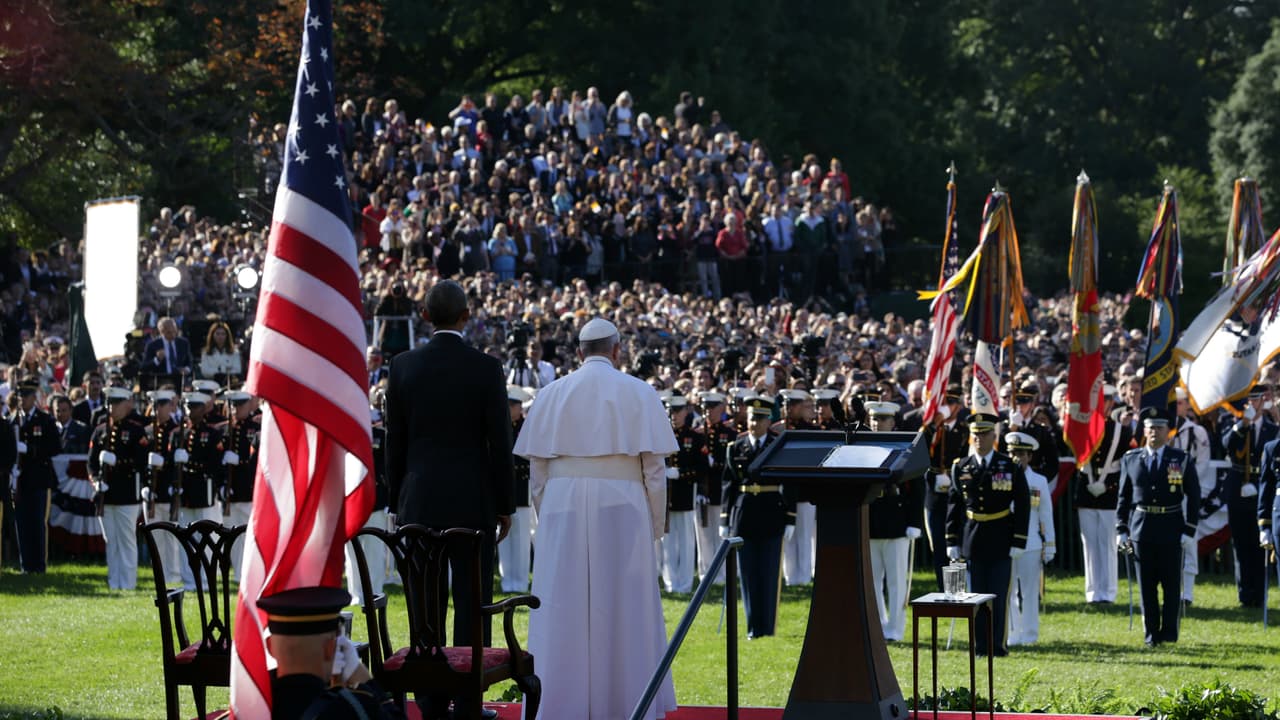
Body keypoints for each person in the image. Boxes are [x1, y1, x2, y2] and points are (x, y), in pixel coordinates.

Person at [514, 317, 678, 720]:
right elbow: (654, 472)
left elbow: (538, 473)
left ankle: (557, 705)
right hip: (624, 504)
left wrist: (548, 519)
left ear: (579, 353)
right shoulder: (639, 392)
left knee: (560, 605)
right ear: (617, 350)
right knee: (626, 607)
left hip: (562, 503)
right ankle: (627, 703)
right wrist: (653, 526)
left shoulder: (551, 394)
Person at [385, 279, 514, 720]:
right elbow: (501, 442)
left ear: (424, 316)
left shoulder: (402, 365)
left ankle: (429, 698)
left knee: (426, 601)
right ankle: (468, 699)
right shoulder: (486, 367)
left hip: (418, 499)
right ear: (467, 316)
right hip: (471, 500)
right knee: (472, 601)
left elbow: (394, 442)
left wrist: (393, 500)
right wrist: (505, 504)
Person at [945, 411, 1030, 657]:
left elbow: (1022, 504)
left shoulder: (1008, 465)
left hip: (1001, 536)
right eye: (975, 435)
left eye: (984, 434)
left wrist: (1019, 539)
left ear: (994, 435)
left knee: (998, 596)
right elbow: (954, 506)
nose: (979, 439)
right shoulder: (961, 467)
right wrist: (951, 540)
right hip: (973, 538)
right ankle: (980, 645)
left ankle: (997, 645)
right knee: (975, 596)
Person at [1116, 407, 1200, 647]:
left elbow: (1194, 496)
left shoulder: (1180, 459)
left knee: (1171, 584)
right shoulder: (1131, 459)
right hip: (1142, 529)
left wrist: (1189, 530)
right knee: (1147, 586)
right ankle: (1151, 634)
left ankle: (1169, 633)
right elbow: (1124, 497)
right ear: (1144, 430)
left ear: (1168, 431)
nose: (1154, 432)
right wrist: (1121, 529)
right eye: (1150, 428)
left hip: (1172, 527)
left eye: (1159, 428)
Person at [258, 585, 403, 720]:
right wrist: (363, 677)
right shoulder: (354, 706)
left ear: (270, 646)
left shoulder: (253, 702)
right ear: (331, 648)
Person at [720, 395, 793, 638]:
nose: (754, 423)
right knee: (749, 574)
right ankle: (753, 627)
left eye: (760, 419)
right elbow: (728, 485)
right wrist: (724, 519)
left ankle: (768, 627)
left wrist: (791, 517)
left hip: (771, 512)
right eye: (752, 418)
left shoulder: (777, 445)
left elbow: (789, 484)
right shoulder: (736, 447)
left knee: (769, 572)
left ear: (768, 421)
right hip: (745, 514)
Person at [864, 401, 921, 642]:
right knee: (873, 581)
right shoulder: (863, 448)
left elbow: (918, 487)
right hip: (872, 522)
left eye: (883, 419)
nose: (878, 424)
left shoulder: (906, 449)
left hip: (898, 523)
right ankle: (878, 625)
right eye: (875, 419)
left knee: (897, 582)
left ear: (893, 422)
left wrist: (914, 522)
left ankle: (896, 629)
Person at [87, 387, 152, 590]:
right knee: (111, 540)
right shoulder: (100, 430)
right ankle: (114, 582)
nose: (112, 408)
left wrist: (119, 462)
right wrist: (96, 481)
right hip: (106, 494)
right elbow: (91, 463)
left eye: (117, 403)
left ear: (127, 404)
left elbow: (141, 462)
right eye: (110, 403)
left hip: (126, 494)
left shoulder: (135, 430)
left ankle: (128, 583)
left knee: (126, 540)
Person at [1075, 384, 1130, 604]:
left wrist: (1108, 485)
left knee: (1107, 543)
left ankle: (1108, 592)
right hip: (1086, 489)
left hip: (1108, 491)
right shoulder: (1081, 428)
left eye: (1106, 401)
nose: (1103, 405)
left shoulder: (1121, 431)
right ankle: (1092, 592)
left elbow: (1125, 465)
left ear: (1110, 403)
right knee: (1089, 543)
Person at [1222, 386, 1275, 608]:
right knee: (1241, 545)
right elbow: (1225, 444)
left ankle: (1260, 594)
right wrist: (1243, 424)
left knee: (1260, 543)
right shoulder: (1233, 423)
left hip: (1262, 489)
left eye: (1258, 399)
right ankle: (1245, 594)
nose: (1254, 404)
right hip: (1238, 490)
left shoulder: (1272, 429)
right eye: (1251, 400)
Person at [1005, 431, 1056, 646]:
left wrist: (1050, 545)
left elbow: (1046, 514)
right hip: (1007, 543)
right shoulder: (1002, 477)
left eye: (1021, 453)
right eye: (1013, 453)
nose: (1017, 457)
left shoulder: (1039, 481)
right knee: (1008, 593)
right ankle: (1012, 633)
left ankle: (1030, 635)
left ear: (1029, 456)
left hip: (1032, 543)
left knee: (1029, 591)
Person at [921, 385, 967, 590]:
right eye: (944, 403)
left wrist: (954, 478)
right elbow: (919, 456)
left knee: (956, 543)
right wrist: (933, 477)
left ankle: (958, 589)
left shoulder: (965, 431)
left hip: (957, 496)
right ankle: (944, 590)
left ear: (958, 406)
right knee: (939, 545)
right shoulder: (930, 429)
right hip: (934, 496)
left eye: (951, 403)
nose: (947, 407)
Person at [12, 382, 61, 573]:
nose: (22, 400)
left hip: (39, 479)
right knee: (22, 524)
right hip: (20, 480)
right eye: (20, 397)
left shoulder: (45, 420)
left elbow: (54, 448)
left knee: (38, 523)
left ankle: (39, 565)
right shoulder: (14, 420)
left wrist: (31, 450)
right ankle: (26, 564)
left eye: (26, 396)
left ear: (34, 398)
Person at [1170, 387, 1212, 603]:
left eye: (1180, 402)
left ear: (1187, 404)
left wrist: (1190, 486)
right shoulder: (1164, 430)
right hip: (1167, 496)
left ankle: (1187, 593)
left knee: (1189, 542)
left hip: (1187, 494)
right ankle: (1171, 588)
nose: (1176, 407)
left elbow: (1202, 464)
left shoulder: (1196, 432)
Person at [661, 393, 703, 594]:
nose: (673, 416)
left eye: (677, 412)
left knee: (686, 541)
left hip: (685, 494)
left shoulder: (694, 437)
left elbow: (701, 467)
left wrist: (681, 473)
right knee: (668, 542)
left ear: (685, 412)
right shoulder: (660, 435)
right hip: (665, 497)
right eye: (670, 412)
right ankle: (670, 582)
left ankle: (685, 583)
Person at [497, 385, 535, 593]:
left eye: (512, 404)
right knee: (504, 537)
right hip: (504, 488)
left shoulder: (526, 428)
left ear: (520, 407)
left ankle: (519, 582)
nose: (509, 408)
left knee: (521, 538)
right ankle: (506, 581)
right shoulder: (500, 426)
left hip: (521, 487)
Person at [220, 388, 259, 581]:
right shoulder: (228, 428)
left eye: (240, 405)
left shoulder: (254, 428)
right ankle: (238, 573)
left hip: (247, 490)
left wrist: (241, 461)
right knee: (233, 535)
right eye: (234, 406)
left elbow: (256, 460)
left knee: (248, 534)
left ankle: (249, 572)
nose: (236, 409)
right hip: (230, 492)